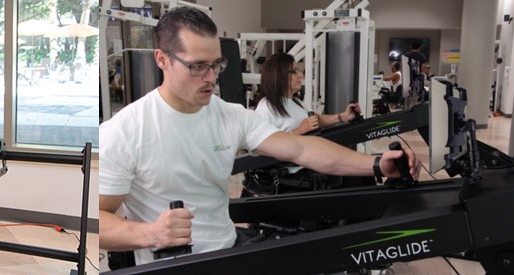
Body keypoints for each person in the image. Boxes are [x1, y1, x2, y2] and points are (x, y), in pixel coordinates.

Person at [99, 6, 419, 267]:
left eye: (217, 65)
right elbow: (94, 220)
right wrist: (149, 234)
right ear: (162, 59)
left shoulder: (230, 114)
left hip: (228, 248)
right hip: (172, 265)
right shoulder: (125, 130)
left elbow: (300, 148)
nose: (211, 78)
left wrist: (376, 164)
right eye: (198, 67)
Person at [254, 53, 359, 136]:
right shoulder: (267, 107)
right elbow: (263, 145)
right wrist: (300, 130)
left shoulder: (296, 102)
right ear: (279, 76)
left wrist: (344, 116)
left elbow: (316, 119)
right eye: (294, 71)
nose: (301, 75)